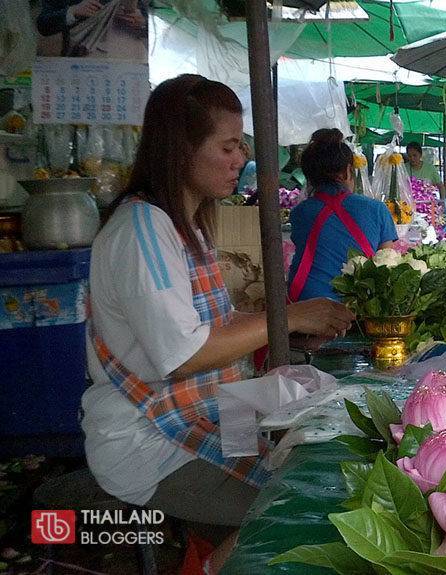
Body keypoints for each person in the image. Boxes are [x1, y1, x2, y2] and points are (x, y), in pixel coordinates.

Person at [83, 75, 354, 573]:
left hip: (197, 414)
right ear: (181, 149)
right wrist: (290, 315)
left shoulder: (182, 223)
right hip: (151, 442)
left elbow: (214, 324)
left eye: (241, 144)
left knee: (317, 463)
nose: (241, 157)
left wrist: (287, 330)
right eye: (228, 146)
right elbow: (184, 353)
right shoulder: (143, 229)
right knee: (299, 509)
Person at [288, 128, 398, 302]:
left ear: (309, 176)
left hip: (304, 304)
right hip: (356, 306)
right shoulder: (377, 209)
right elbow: (387, 265)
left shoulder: (299, 214)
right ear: (347, 170)